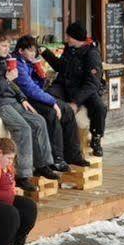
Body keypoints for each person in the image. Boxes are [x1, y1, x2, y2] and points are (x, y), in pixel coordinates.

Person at [0, 28, 57, 181]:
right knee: (23, 128)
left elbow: (12, 85)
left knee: (39, 121)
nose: (7, 49)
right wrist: (7, 79)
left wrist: (23, 98)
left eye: (8, 46)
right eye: (3, 46)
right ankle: (22, 175)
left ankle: (42, 165)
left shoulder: (1, 60)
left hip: (9, 100)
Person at [13, 35, 84, 169]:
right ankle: (56, 158)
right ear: (21, 51)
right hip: (26, 100)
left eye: (35, 50)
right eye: (30, 50)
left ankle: (73, 154)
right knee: (51, 113)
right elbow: (30, 89)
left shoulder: (28, 63)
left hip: (36, 97)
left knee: (67, 109)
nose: (33, 53)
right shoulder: (17, 64)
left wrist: (40, 75)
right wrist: (52, 102)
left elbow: (38, 87)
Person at [49, 21, 110, 157]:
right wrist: (45, 53)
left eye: (68, 36)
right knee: (49, 96)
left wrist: (76, 102)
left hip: (84, 90)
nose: (66, 39)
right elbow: (60, 67)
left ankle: (96, 138)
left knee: (99, 107)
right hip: (65, 86)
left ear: (75, 38)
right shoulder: (69, 49)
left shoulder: (91, 54)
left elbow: (92, 84)